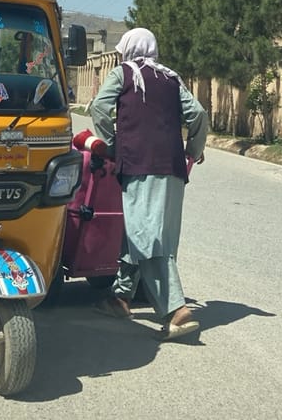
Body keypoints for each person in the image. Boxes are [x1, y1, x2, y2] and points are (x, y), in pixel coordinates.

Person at [90, 27, 208, 340]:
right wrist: (193, 151)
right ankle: (120, 298)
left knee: (147, 236)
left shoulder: (124, 74)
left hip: (140, 165)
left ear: (129, 50)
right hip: (173, 168)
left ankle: (175, 311)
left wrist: (112, 145)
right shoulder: (171, 78)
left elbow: (99, 107)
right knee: (142, 230)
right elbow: (198, 114)